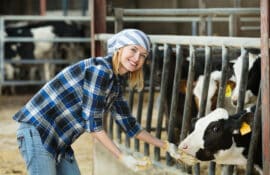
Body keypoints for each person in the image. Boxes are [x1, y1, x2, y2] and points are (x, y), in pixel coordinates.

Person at [13, 28, 180, 175]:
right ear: (119, 49)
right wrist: (122, 156)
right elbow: (93, 125)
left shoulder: (115, 83)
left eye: (143, 55)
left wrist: (166, 146)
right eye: (133, 50)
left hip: (60, 140)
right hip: (38, 131)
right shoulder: (100, 71)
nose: (137, 58)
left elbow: (129, 125)